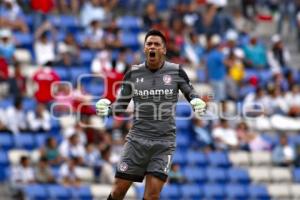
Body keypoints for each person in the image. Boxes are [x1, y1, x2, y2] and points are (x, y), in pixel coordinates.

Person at [95, 30, 206, 200]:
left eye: (156, 44)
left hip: (163, 143)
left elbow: (190, 92)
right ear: (145, 49)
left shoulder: (176, 72)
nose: (152, 47)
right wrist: (108, 109)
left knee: (152, 195)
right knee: (118, 191)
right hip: (137, 140)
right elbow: (121, 106)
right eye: (149, 44)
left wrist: (197, 101)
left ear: (164, 50)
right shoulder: (133, 74)